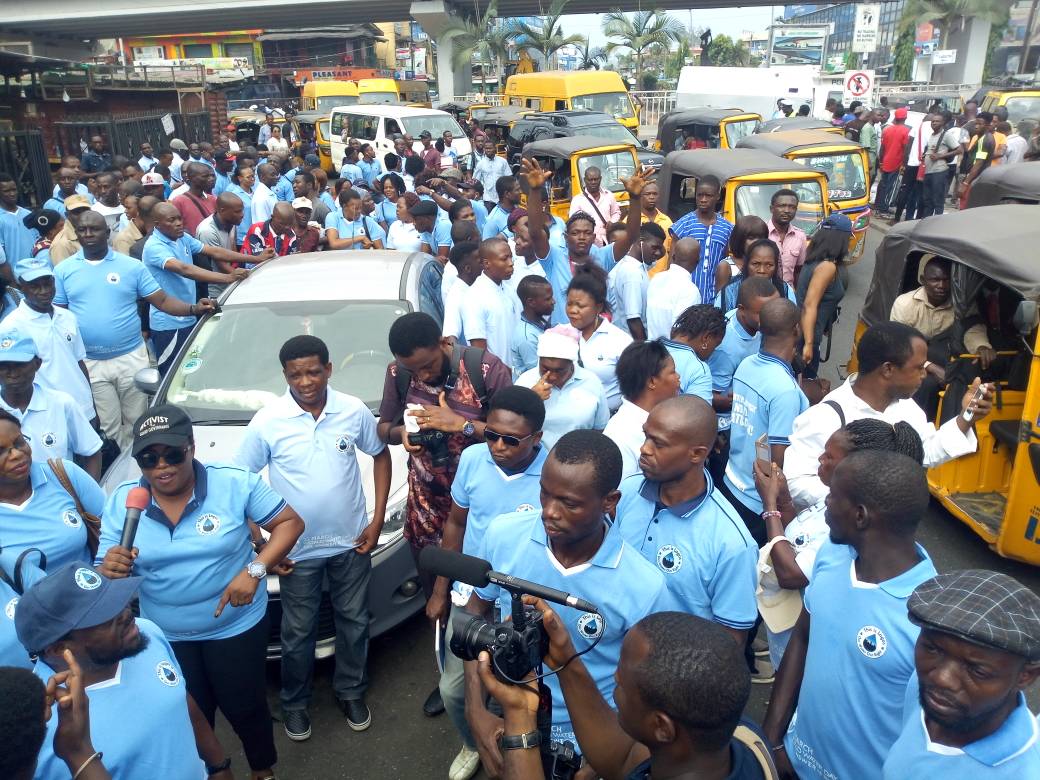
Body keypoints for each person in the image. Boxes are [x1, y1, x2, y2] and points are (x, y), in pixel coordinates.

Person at [98, 404, 304, 780]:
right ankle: (212, 769)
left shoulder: (235, 481)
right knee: (189, 710)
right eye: (148, 458)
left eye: (171, 454)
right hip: (167, 635)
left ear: (192, 448)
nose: (161, 466)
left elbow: (290, 523)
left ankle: (262, 769)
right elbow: (104, 571)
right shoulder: (125, 502)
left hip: (235, 627)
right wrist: (108, 569)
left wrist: (255, 571)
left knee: (245, 705)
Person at [462, 430, 673, 775]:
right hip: (512, 717)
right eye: (545, 493)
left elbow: (652, 689)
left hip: (590, 740)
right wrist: (477, 709)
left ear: (610, 501)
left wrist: (601, 762)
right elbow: (476, 613)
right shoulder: (503, 534)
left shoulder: (645, 586)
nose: (549, 512)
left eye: (569, 503)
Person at [237, 336, 389, 741]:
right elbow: (240, 482)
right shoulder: (269, 421)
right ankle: (295, 704)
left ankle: (351, 691)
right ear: (284, 374)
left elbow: (381, 455)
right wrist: (261, 539)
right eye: (295, 374)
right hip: (296, 552)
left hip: (351, 542)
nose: (305, 381)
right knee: (297, 631)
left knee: (354, 622)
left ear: (329, 368)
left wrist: (374, 524)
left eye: (313, 371)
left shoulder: (352, 410)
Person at [763, 450, 939, 780]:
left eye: (832, 496)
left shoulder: (927, 618)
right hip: (792, 761)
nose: (824, 503)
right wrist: (772, 740)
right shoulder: (831, 554)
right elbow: (803, 636)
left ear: (860, 516)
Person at [376, 313, 512, 711]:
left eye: (428, 365)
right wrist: (403, 435)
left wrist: (461, 425)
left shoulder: (485, 368)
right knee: (436, 597)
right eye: (412, 369)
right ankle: (448, 671)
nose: (421, 374)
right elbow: (383, 428)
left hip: (482, 509)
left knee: (486, 594)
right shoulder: (398, 373)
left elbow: (517, 435)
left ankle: (498, 673)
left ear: (444, 343)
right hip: (427, 508)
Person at [480, 606, 772, 780]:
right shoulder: (742, 740)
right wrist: (565, 661)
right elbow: (624, 757)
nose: (615, 682)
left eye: (621, 685)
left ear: (661, 727)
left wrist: (519, 716)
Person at [427, 386, 548, 780]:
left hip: (525, 604)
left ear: (537, 438)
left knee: (520, 690)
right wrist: (441, 589)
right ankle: (472, 741)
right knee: (455, 690)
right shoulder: (473, 460)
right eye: (491, 434)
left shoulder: (554, 472)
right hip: (471, 597)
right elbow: (457, 523)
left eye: (511, 440)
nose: (498, 446)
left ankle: (517, 751)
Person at [15, 563, 234, 780]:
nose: (126, 613)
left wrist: (218, 765)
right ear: (59, 648)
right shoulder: (40, 725)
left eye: (117, 599)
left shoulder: (145, 632)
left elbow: (181, 700)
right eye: (103, 615)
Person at [754, 419, 925, 669]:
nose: (820, 460)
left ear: (856, 467)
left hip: (804, 650)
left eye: (829, 457)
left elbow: (791, 574)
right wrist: (784, 500)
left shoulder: (843, 523)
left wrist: (770, 507)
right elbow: (798, 539)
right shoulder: (833, 500)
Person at [783, 321, 992, 510]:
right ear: (888, 369)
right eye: (918, 368)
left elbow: (925, 452)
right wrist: (860, 501)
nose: (923, 375)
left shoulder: (907, 408)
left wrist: (967, 417)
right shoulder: (826, 417)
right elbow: (796, 483)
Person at [53, 211, 209, 449]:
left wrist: (193, 308)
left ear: (107, 233)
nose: (88, 234)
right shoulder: (63, 271)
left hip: (131, 357)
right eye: (82, 230)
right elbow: (59, 315)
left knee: (137, 421)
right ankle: (118, 477)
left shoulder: (131, 267)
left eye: (94, 229)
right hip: (90, 362)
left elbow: (163, 302)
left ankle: (139, 469)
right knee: (109, 427)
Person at [613, 392, 758, 640]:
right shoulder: (628, 491)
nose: (644, 449)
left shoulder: (733, 544)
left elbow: (730, 641)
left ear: (697, 454)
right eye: (646, 435)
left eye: (658, 443)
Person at [882, 570, 1040, 777]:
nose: (942, 678)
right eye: (933, 649)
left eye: (977, 670)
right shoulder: (927, 691)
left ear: (1025, 676)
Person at [720, 298, 808, 545]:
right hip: (756, 501)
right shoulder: (785, 390)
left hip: (731, 481)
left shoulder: (747, 365)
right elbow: (777, 460)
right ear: (796, 330)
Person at [522, 158, 646, 327]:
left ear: (594, 236)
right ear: (566, 237)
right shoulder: (554, 258)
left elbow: (631, 235)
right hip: (564, 339)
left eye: (587, 233)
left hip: (597, 338)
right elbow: (536, 233)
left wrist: (635, 197)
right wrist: (535, 190)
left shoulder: (602, 257)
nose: (581, 237)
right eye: (575, 233)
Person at [143, 203, 255, 374]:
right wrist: (228, 277)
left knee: (191, 371)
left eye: (179, 218)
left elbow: (213, 251)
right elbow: (184, 269)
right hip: (168, 324)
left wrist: (255, 259)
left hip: (189, 315)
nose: (179, 223)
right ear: (157, 224)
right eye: (172, 220)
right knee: (172, 375)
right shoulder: (154, 247)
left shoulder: (181, 238)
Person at [889, 257, 995, 418]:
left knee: (968, 377)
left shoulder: (961, 304)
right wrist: (930, 367)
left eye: (946, 280)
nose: (942, 286)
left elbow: (972, 329)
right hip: (909, 360)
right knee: (925, 384)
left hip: (946, 359)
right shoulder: (905, 304)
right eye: (935, 280)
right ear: (923, 280)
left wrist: (982, 347)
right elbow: (898, 346)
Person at [0, 407, 103, 572]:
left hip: (96, 589)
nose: (16, 455)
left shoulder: (63, 474)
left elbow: (113, 526)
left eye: (19, 443)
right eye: (1, 452)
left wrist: (103, 567)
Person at [0, 329, 101, 478]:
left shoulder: (61, 404)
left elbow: (92, 452)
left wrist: (85, 497)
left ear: (37, 364)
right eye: (4, 366)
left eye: (20, 365)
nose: (13, 374)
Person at [5, 257, 94, 424]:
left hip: (84, 409)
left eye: (48, 284)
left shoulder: (67, 317)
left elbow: (79, 363)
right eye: (35, 286)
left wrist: (92, 405)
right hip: (48, 416)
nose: (44, 291)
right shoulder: (11, 327)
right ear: (20, 287)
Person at [707, 277, 780, 437]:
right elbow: (711, 396)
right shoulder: (726, 347)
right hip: (727, 424)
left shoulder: (756, 324)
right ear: (742, 309)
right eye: (762, 314)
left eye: (774, 310)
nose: (771, 318)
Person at [516, 325, 608, 448]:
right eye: (545, 369)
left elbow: (600, 429)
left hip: (579, 460)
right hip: (536, 460)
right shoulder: (525, 382)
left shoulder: (591, 382)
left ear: (571, 364)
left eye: (560, 371)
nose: (552, 376)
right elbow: (510, 427)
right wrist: (531, 399)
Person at [604, 340, 680, 480]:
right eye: (672, 372)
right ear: (652, 382)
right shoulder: (620, 435)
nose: (678, 377)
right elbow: (622, 493)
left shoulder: (660, 419)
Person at [565, 271, 632, 412]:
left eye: (580, 306)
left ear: (599, 307)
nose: (572, 310)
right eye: (569, 304)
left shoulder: (620, 341)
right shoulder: (560, 335)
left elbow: (633, 387)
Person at [796, 213, 852, 377]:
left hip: (806, 332)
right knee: (808, 385)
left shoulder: (814, 259)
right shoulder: (827, 267)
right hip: (808, 335)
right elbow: (809, 305)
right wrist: (809, 343)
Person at [669, 175, 734, 304]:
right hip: (685, 298)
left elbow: (725, 262)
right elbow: (672, 262)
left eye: (708, 196)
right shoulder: (683, 225)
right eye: (699, 195)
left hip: (714, 298)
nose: (703, 200)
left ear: (717, 196)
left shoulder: (727, 228)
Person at [607, 222, 667, 340]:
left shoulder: (640, 265)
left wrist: (658, 244)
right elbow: (633, 320)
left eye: (659, 248)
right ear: (640, 243)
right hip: (630, 344)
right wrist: (644, 350)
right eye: (654, 248)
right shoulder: (632, 273)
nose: (658, 252)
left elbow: (661, 252)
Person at [459, 237, 515, 360]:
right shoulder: (474, 298)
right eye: (504, 259)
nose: (511, 263)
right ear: (486, 263)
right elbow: (478, 349)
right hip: (498, 375)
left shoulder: (508, 287)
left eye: (511, 257)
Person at [665, 303, 725, 403]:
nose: (713, 352)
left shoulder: (648, 347)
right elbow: (698, 416)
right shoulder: (699, 369)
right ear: (706, 338)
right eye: (715, 345)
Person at [716, 238, 796, 313]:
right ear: (747, 264)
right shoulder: (730, 290)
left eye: (769, 265)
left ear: (775, 266)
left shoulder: (785, 290)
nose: (762, 271)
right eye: (756, 264)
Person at [646, 237, 702, 340]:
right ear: (698, 261)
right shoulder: (690, 290)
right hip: (669, 353)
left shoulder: (656, 279)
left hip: (649, 349)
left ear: (673, 256)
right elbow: (681, 332)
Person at [195, 191, 246, 299]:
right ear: (222, 211)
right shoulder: (207, 231)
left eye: (242, 210)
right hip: (215, 291)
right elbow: (221, 265)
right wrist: (247, 280)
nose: (242, 215)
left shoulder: (231, 222)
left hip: (230, 285)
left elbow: (232, 253)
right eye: (237, 211)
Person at [509, 275, 553, 377]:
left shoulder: (541, 323)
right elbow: (541, 375)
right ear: (531, 302)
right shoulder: (527, 337)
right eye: (548, 299)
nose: (553, 302)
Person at [919, 112, 961, 218]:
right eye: (933, 121)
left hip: (939, 171)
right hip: (929, 171)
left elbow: (959, 149)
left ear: (943, 123)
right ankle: (926, 222)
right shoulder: (932, 135)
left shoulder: (946, 135)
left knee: (937, 200)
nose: (934, 123)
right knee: (927, 200)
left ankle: (936, 223)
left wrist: (940, 156)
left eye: (937, 121)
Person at [569, 165, 621, 247]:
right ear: (585, 180)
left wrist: (612, 223)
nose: (593, 182)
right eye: (590, 180)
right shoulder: (577, 200)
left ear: (600, 179)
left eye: (595, 179)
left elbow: (616, 212)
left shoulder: (609, 195)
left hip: (608, 241)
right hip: (589, 245)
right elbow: (573, 222)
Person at [766, 189, 807, 286]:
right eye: (782, 206)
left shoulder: (800, 236)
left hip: (789, 295)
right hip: (764, 293)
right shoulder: (761, 232)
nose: (787, 210)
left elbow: (799, 270)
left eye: (792, 207)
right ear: (772, 209)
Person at [875, 107, 911, 215]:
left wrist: (881, 161)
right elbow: (906, 150)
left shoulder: (887, 130)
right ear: (905, 117)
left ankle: (879, 206)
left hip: (885, 161)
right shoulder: (906, 131)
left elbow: (882, 148)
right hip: (897, 163)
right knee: (891, 187)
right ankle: (884, 208)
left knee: (883, 184)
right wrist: (904, 164)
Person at [170, 162, 216, 237]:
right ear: (190, 179)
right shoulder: (179, 201)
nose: (210, 179)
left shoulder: (213, 199)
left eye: (211, 176)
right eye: (205, 176)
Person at [48, 195, 92, 264]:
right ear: (67, 215)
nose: (82, 215)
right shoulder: (61, 244)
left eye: (85, 211)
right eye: (77, 212)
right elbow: (63, 273)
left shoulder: (95, 231)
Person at [472, 141, 510, 209]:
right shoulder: (481, 164)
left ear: (495, 149)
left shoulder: (502, 161)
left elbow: (509, 178)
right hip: (488, 198)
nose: (488, 150)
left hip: (502, 197)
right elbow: (475, 180)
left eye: (490, 148)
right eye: (486, 148)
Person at [226, 164, 257, 247]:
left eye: (253, 176)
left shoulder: (256, 192)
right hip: (243, 237)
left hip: (256, 234)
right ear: (240, 178)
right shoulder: (235, 195)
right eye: (248, 177)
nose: (252, 179)